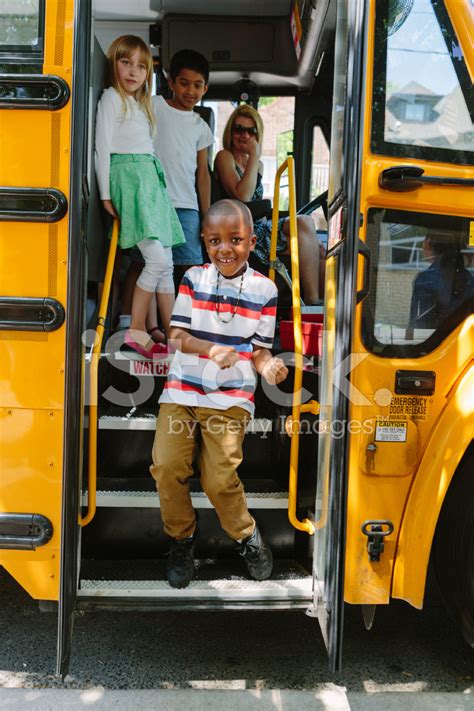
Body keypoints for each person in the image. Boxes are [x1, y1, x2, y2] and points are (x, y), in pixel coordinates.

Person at [150, 199, 289, 589]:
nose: (225, 248)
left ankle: (247, 537)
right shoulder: (193, 279)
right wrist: (210, 350)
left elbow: (260, 350)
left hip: (231, 399)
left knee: (218, 479)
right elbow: (176, 337)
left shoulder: (265, 289)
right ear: (204, 241)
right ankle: (181, 541)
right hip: (182, 391)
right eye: (214, 240)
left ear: (251, 240)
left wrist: (270, 368)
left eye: (235, 239)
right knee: (167, 467)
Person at [95, 35, 185, 358]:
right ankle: (135, 329)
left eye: (141, 66)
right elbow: (102, 149)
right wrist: (106, 194)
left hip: (149, 180)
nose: (133, 72)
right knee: (156, 259)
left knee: (168, 261)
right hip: (129, 178)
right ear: (114, 64)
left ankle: (174, 336)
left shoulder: (141, 105)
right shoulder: (110, 99)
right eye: (125, 63)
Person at [119, 49, 214, 343]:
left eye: (198, 85)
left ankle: (175, 326)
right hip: (152, 197)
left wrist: (206, 215)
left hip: (186, 205)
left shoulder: (201, 126)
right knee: (143, 261)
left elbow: (202, 174)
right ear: (171, 82)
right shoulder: (154, 105)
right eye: (184, 83)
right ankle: (127, 321)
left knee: (185, 268)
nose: (191, 90)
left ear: (205, 88)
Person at [213, 104, 325, 304]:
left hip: (260, 224)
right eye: (239, 129)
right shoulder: (225, 157)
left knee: (318, 247)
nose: (244, 135)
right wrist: (255, 155)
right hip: (238, 228)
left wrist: (254, 160)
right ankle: (312, 300)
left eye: (251, 130)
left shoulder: (257, 165)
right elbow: (243, 196)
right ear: (230, 131)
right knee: (304, 224)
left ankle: (324, 311)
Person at [409, 230, 474, 329]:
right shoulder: (469, 278)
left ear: (432, 249)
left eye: (425, 246)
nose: (423, 250)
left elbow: (414, 321)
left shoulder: (424, 279)